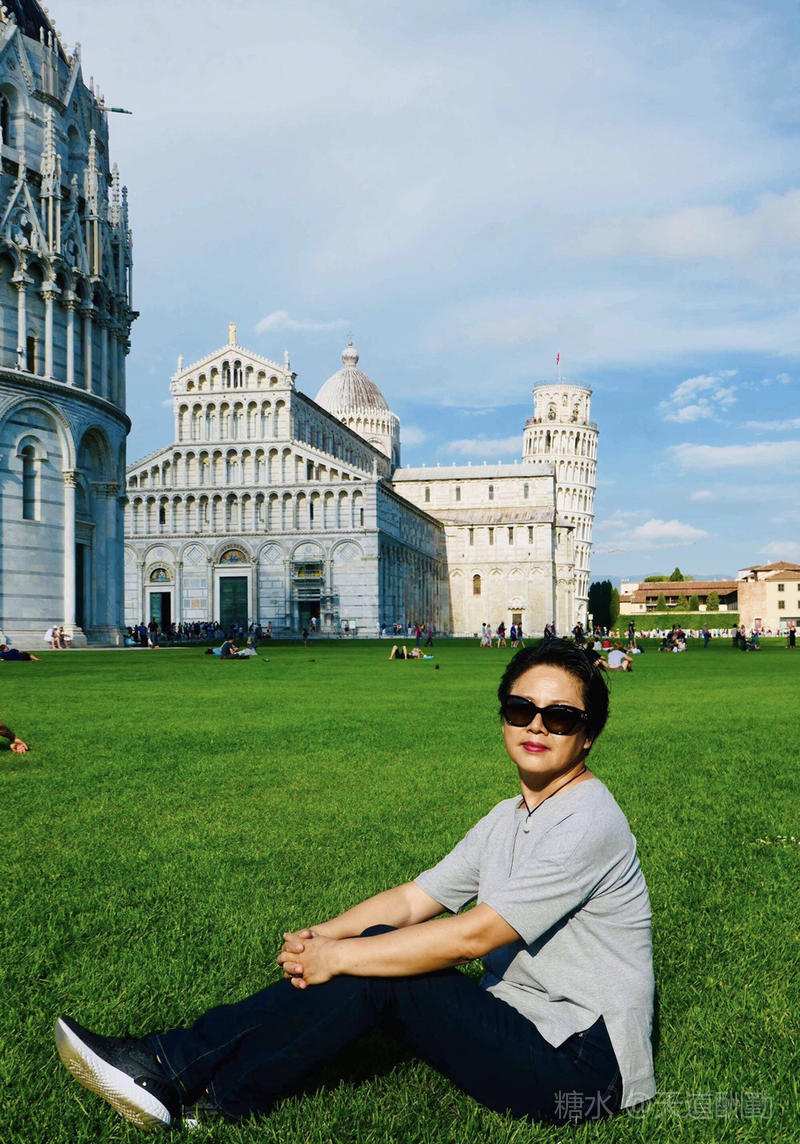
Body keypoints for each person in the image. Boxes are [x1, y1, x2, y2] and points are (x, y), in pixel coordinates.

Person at [54, 640, 655, 1131]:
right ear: (503, 716)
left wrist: (341, 957)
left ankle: (171, 1065)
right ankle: (209, 1096)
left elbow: (473, 937)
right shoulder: (508, 817)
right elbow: (416, 898)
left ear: (588, 735)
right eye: (521, 709)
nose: (536, 726)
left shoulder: (589, 819)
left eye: (560, 717)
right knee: (375, 950)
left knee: (381, 968)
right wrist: (322, 936)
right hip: (526, 1025)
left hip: (584, 1072)